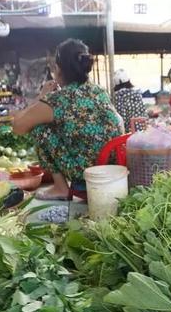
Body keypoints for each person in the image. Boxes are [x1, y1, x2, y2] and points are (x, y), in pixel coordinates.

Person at [12, 38, 122, 200]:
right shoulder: (99, 91)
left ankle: (60, 188)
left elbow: (18, 127)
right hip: (113, 164)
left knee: (39, 128)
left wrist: (40, 97)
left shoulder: (58, 100)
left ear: (58, 69)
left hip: (85, 170)